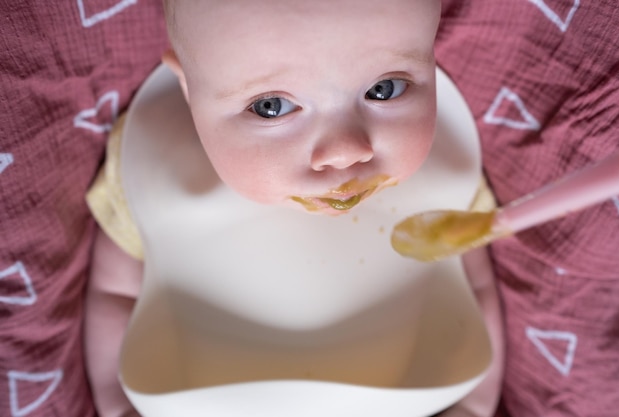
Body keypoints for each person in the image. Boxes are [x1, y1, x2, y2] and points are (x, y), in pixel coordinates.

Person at [84, 0, 504, 416]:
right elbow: (115, 294)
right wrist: (118, 403)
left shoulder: (447, 176)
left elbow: (475, 290)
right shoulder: (154, 168)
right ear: (190, 91)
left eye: (385, 88)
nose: (344, 152)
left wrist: (474, 403)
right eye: (271, 106)